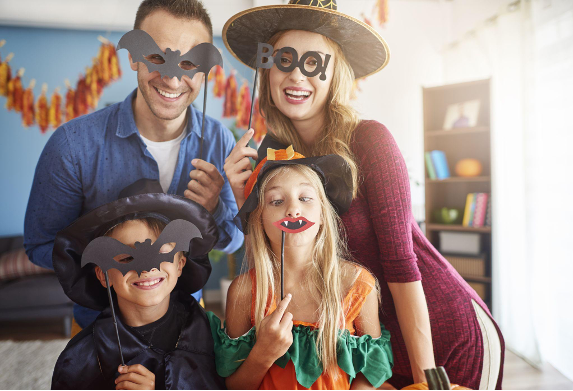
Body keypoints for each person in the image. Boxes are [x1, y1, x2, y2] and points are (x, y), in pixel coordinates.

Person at [222, 1, 504, 389]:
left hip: (437, 337)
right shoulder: (273, 159)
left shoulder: (369, 140)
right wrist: (244, 202)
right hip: (362, 347)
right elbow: (277, 261)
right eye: (284, 60)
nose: (296, 75)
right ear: (267, 70)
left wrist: (427, 379)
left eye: (314, 62)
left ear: (335, 71)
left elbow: (402, 264)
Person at [24, 0, 243, 332]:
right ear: (133, 56)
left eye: (188, 62)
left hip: (188, 329)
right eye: (157, 58)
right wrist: (112, 252)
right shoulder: (72, 145)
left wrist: (211, 210)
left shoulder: (220, 143)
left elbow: (233, 241)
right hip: (101, 330)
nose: (172, 79)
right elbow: (40, 245)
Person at [210, 147, 393, 390]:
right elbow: (234, 386)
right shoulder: (244, 292)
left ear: (322, 212)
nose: (293, 210)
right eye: (276, 201)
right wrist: (263, 353)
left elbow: (370, 375)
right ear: (259, 218)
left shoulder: (357, 286)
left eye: (305, 198)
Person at [51, 179, 226, 390]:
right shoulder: (80, 360)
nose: (147, 269)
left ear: (180, 265)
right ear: (103, 275)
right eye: (126, 258)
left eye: (162, 253)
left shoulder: (212, 337)